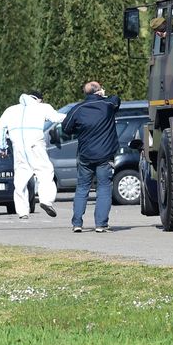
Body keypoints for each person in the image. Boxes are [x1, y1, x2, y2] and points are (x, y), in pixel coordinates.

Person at [0, 91, 67, 220]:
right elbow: (57, 118)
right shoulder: (43, 107)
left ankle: (22, 211)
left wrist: (2, 147)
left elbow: (0, 127)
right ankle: (46, 200)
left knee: (20, 179)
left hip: (18, 147)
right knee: (45, 172)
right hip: (35, 145)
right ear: (38, 99)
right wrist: (74, 116)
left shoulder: (11, 110)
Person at [62, 81, 120, 233]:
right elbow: (116, 99)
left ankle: (77, 223)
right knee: (104, 188)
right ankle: (101, 224)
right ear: (99, 91)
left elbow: (66, 128)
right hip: (105, 156)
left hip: (85, 155)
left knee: (82, 188)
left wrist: (79, 129)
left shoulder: (78, 109)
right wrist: (103, 95)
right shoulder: (108, 105)